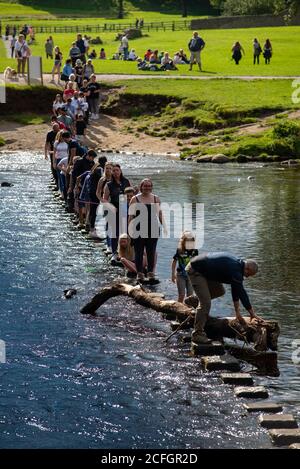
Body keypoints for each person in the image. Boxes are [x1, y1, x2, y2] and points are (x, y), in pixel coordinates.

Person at [186, 252, 261, 345]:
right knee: (205, 304)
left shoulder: (238, 266)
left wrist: (237, 313)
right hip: (195, 270)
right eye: (249, 274)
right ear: (247, 268)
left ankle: (195, 300)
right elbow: (242, 294)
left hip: (206, 271)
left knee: (220, 291)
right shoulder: (236, 270)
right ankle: (197, 334)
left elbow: (236, 290)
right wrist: (252, 314)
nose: (247, 277)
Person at [129, 178, 162, 284]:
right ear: (141, 187)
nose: (147, 188)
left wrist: (163, 226)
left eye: (149, 186)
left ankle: (151, 273)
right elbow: (131, 216)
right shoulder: (135, 199)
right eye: (145, 186)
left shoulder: (156, 198)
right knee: (139, 251)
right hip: (138, 229)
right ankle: (140, 274)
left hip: (153, 228)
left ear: (151, 187)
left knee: (151, 251)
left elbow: (159, 214)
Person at [103, 164, 131, 263]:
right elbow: (105, 199)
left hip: (125, 209)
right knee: (114, 232)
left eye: (117, 170)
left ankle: (126, 253)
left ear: (120, 171)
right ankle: (114, 253)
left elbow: (130, 196)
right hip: (114, 209)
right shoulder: (109, 184)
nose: (115, 172)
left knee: (125, 232)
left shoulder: (126, 181)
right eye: (113, 170)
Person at [171, 231, 198, 303]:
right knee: (181, 295)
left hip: (190, 276)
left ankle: (189, 311)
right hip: (180, 275)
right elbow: (174, 261)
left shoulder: (195, 251)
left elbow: (197, 263)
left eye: (191, 242)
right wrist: (173, 274)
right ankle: (177, 309)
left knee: (190, 296)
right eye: (187, 242)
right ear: (183, 242)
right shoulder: (180, 250)